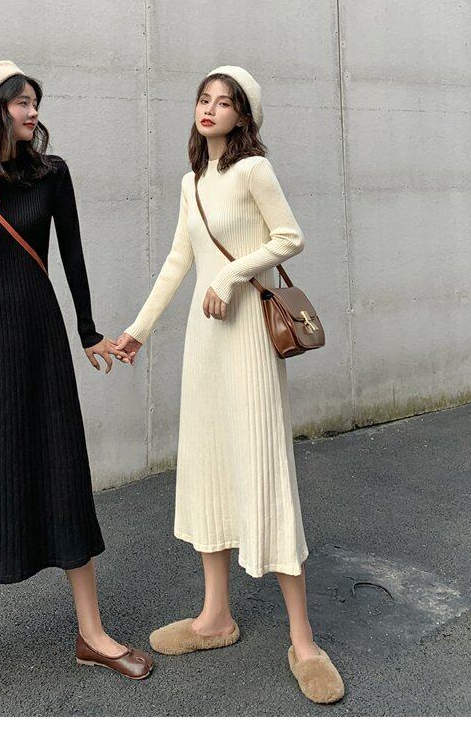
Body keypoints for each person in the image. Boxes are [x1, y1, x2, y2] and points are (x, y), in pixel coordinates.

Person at [0, 60, 153, 717]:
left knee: (62, 471)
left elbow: (72, 255)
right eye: (22, 101)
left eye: (35, 101)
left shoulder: (52, 174)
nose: (33, 111)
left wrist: (89, 332)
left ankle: (92, 634)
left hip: (41, 346)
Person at [114, 65, 344, 704]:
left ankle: (303, 641)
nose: (210, 108)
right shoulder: (191, 182)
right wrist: (137, 332)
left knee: (266, 471)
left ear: (244, 115)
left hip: (248, 343)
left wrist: (231, 275)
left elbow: (289, 238)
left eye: (225, 101)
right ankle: (215, 617)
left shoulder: (253, 172)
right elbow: (177, 261)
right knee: (210, 469)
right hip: (205, 345)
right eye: (204, 98)